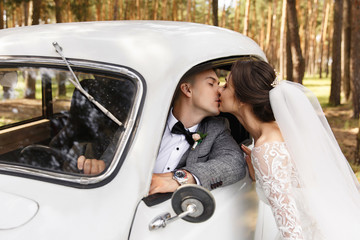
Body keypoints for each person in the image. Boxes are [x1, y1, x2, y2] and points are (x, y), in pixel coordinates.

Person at [218, 59, 360, 240]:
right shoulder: (285, 130)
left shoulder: (266, 149)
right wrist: (259, 177)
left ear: (243, 98)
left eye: (226, 86)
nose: (219, 90)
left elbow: (291, 231)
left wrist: (262, 164)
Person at [78, 68, 247, 195]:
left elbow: (234, 163)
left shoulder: (217, 128)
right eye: (211, 84)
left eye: (219, 84)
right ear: (187, 89)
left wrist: (179, 179)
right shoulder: (142, 119)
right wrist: (98, 167)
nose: (219, 90)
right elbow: (109, 163)